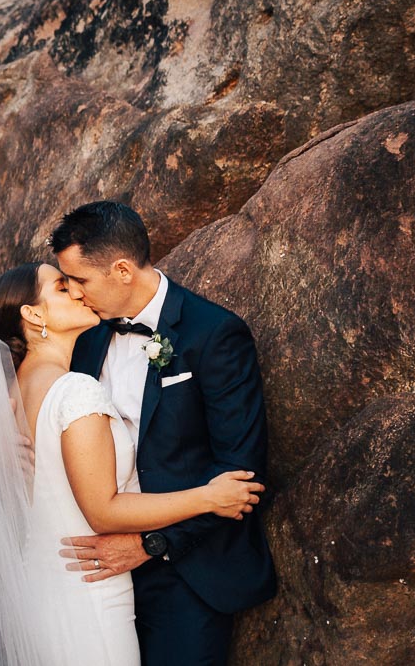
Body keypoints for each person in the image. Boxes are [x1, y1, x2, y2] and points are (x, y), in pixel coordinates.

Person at [0, 261, 264, 666]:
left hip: (47, 582)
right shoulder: (75, 389)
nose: (76, 291)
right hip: (88, 587)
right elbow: (103, 509)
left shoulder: (13, 396)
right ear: (33, 315)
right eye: (61, 286)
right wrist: (209, 497)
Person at [51, 201, 277, 664]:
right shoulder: (87, 336)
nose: (73, 293)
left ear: (120, 270)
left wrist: (149, 545)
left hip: (185, 572)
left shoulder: (214, 334)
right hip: (96, 569)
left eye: (80, 281)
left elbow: (241, 474)